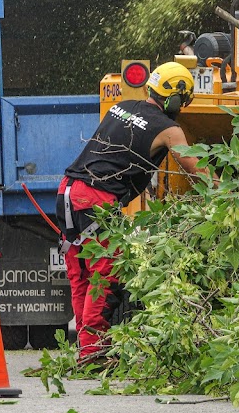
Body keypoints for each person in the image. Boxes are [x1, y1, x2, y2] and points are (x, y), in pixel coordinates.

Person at [56, 62, 207, 360]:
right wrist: (228, 188)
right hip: (97, 198)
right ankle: (93, 350)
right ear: (175, 99)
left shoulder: (121, 106)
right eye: (184, 101)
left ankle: (86, 349)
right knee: (106, 271)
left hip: (68, 190)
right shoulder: (169, 129)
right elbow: (195, 169)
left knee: (81, 273)